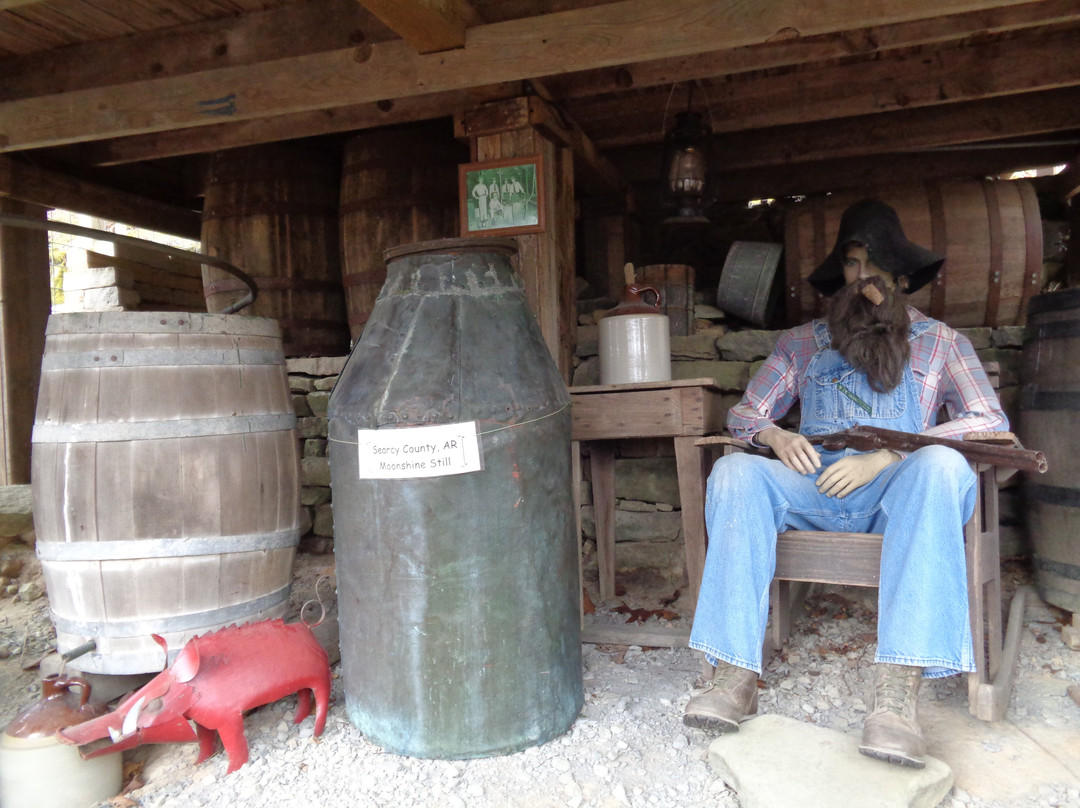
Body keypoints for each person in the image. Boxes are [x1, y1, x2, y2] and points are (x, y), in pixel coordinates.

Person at [683, 198, 1007, 768]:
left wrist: (889, 454)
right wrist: (775, 438)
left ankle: (896, 700)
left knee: (941, 466)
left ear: (902, 279)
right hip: (813, 489)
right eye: (853, 265)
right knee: (735, 470)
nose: (862, 278)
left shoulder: (942, 343)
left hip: (895, 496)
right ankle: (735, 674)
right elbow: (744, 416)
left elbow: (989, 421)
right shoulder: (803, 343)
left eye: (874, 266)